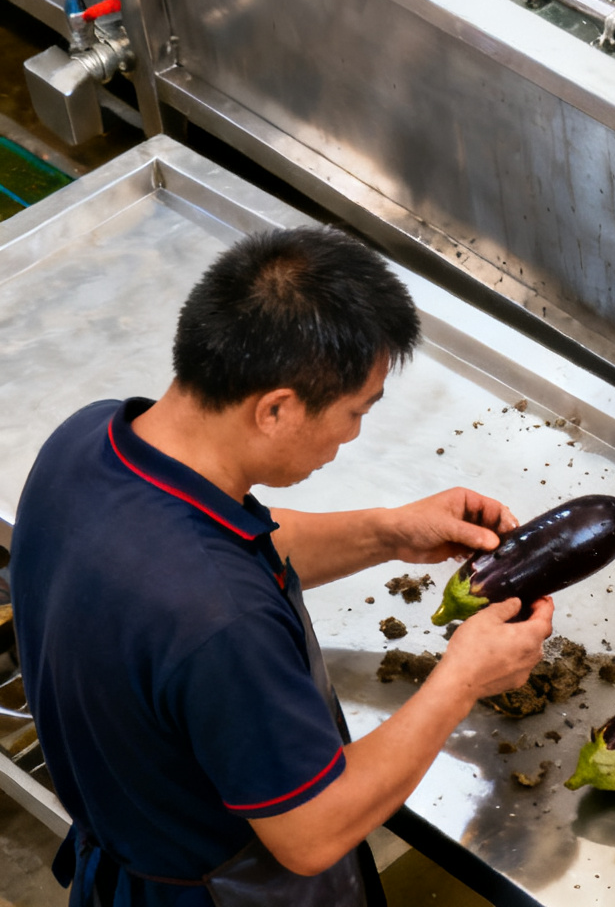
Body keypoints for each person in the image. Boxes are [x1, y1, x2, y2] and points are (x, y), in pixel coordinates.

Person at [10, 223, 556, 907]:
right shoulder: (221, 622)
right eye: (354, 412)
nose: (353, 435)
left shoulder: (88, 439)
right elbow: (313, 833)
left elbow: (220, 545)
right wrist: (463, 679)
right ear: (275, 410)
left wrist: (387, 532)